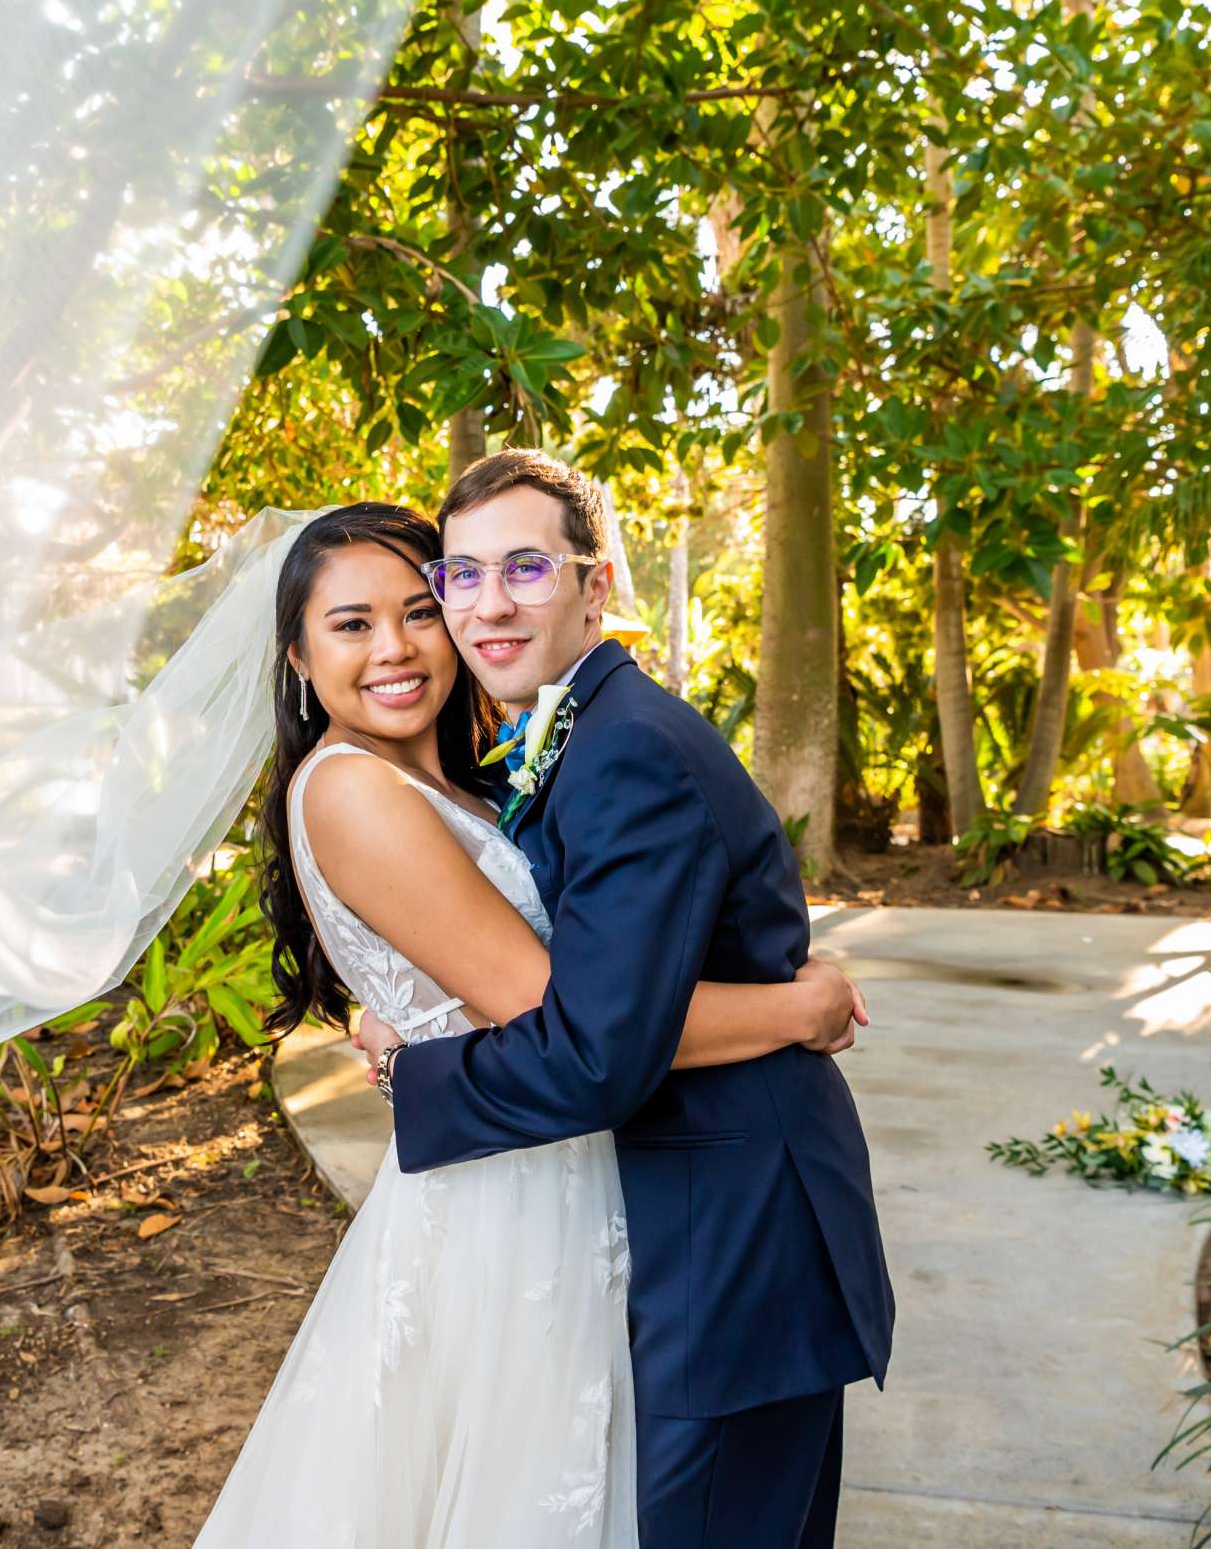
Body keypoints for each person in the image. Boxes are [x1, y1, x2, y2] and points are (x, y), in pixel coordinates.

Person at [197, 502, 867, 1548]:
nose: (397, 649)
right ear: (296, 652)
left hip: (558, 1178)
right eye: (352, 625)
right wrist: (797, 1008)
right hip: (509, 1206)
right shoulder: (353, 791)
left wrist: (407, 1036)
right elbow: (576, 1021)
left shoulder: (454, 773)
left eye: (421, 609)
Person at [367, 452, 896, 1547]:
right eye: (459, 575)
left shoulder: (626, 753)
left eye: (525, 567)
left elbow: (600, 1052)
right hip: (706, 1217)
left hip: (731, 1243)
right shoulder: (574, 733)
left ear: (595, 584)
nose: (488, 603)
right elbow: (607, 983)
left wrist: (416, 1066)